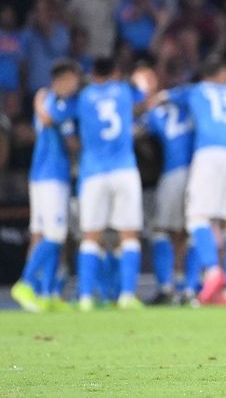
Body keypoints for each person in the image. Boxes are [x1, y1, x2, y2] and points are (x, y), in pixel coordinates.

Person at [43, 57, 150, 311]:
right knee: (129, 234)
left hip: (92, 172)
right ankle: (126, 296)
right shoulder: (124, 91)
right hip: (124, 169)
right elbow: (142, 95)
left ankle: (86, 298)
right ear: (114, 70)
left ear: (92, 72)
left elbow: (55, 114)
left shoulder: (83, 95)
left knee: (91, 236)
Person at [159, 58, 226, 305]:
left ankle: (212, 272)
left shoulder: (195, 90)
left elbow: (165, 98)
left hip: (209, 154)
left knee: (197, 217)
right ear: (221, 73)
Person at [10, 59, 80, 312]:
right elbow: (65, 136)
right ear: (62, 79)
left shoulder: (45, 98)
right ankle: (26, 282)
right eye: (73, 79)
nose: (76, 85)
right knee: (55, 235)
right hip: (53, 176)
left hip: (40, 175)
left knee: (45, 233)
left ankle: (47, 292)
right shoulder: (59, 104)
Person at [140, 76, 194, 304]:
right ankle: (189, 288)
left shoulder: (157, 112)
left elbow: (137, 133)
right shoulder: (193, 106)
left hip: (174, 172)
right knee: (189, 230)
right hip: (197, 171)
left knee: (161, 230)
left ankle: (167, 288)